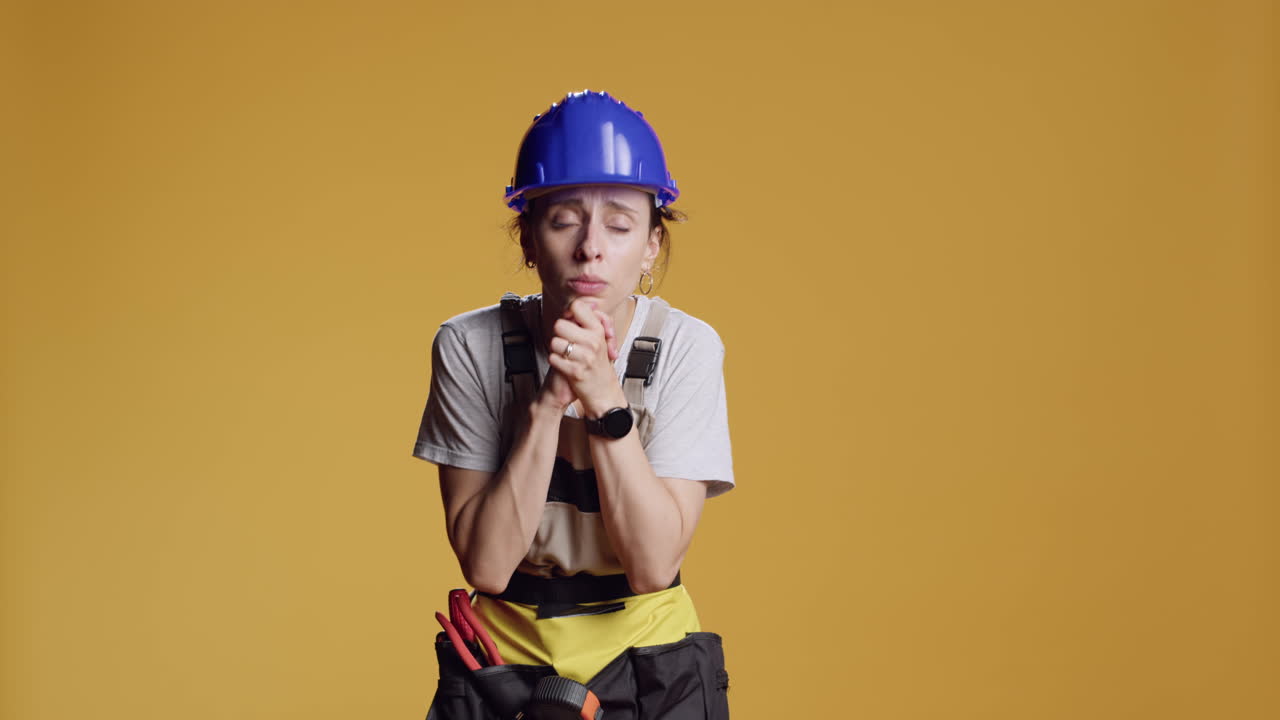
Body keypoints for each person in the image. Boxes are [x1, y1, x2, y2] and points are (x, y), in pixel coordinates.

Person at [413, 90, 733, 720]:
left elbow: (651, 565)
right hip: (503, 664)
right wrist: (549, 401)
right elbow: (488, 566)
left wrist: (605, 400)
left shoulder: (686, 347)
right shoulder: (469, 345)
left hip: (651, 658)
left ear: (650, 247)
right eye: (563, 220)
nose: (591, 247)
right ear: (529, 238)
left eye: (619, 225)